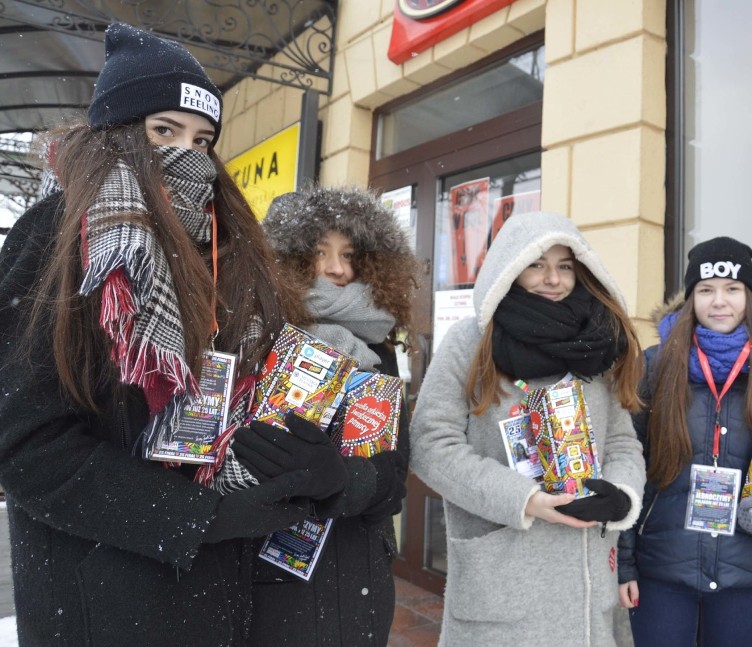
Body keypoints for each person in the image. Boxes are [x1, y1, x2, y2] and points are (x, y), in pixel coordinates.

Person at [0, 23, 349, 646]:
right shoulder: (57, 236)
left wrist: (297, 458)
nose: (187, 153)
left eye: (203, 139)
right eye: (164, 131)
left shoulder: (228, 246)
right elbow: (26, 443)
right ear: (118, 133)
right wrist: (193, 514)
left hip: (218, 587)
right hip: (101, 597)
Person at [410, 211, 647, 646]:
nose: (552, 278)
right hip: (502, 582)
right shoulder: (471, 341)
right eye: (536, 264)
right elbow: (430, 445)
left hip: (586, 585)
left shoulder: (600, 343)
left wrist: (620, 497)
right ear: (510, 268)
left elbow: (621, 441)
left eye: (565, 266)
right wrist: (526, 500)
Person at [617, 237, 752, 647]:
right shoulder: (655, 364)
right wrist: (624, 565)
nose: (720, 302)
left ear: (750, 297)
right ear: (690, 300)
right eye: (706, 290)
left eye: (732, 289)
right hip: (662, 569)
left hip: (747, 567)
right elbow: (629, 462)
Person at [232, 184, 417, 646]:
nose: (336, 269)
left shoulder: (379, 346)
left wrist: (342, 480)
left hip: (361, 572)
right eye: (319, 252)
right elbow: (224, 461)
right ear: (287, 255)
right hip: (269, 572)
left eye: (349, 254)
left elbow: (394, 475)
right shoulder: (252, 331)